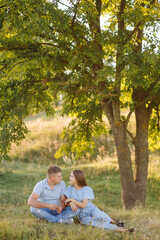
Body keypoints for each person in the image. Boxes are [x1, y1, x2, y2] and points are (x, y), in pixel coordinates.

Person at [64, 170, 136, 233]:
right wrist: (70, 203)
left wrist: (72, 200)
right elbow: (65, 201)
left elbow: (83, 205)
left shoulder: (87, 189)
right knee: (99, 224)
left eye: (71, 176)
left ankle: (115, 222)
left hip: (91, 209)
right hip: (82, 216)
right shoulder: (69, 188)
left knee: (101, 216)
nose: (69, 178)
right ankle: (125, 231)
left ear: (77, 178)